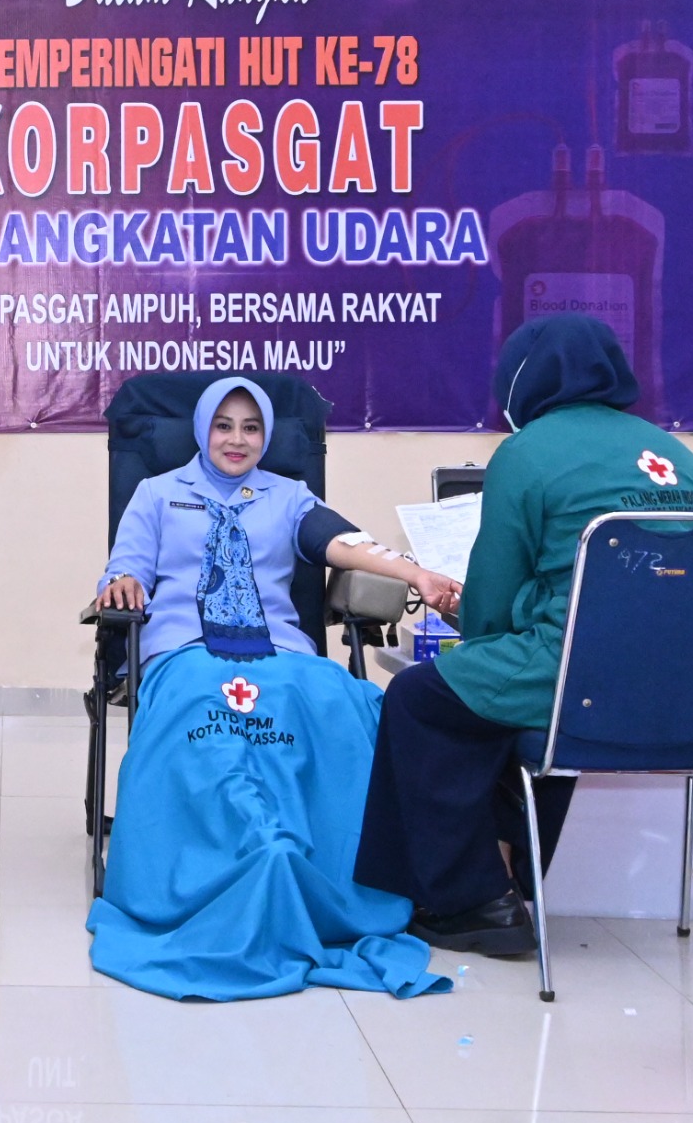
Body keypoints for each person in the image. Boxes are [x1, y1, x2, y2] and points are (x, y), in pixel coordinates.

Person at [86, 376, 464, 1001]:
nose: (237, 440)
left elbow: (346, 543)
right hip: (187, 648)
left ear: (267, 436)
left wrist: (417, 574)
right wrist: (122, 582)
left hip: (280, 651)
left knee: (341, 701)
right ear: (202, 430)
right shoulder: (158, 493)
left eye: (252, 427)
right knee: (206, 715)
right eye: (223, 426)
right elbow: (125, 564)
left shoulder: (288, 496)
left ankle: (321, 868)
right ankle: (230, 861)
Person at [356, 314, 693, 955]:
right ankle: (520, 877)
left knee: (419, 698)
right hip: (683, 686)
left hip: (573, 672)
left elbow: (493, 598)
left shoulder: (527, 452)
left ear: (524, 377)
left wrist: (477, 625)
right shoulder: (678, 456)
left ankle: (473, 901)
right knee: (500, 706)